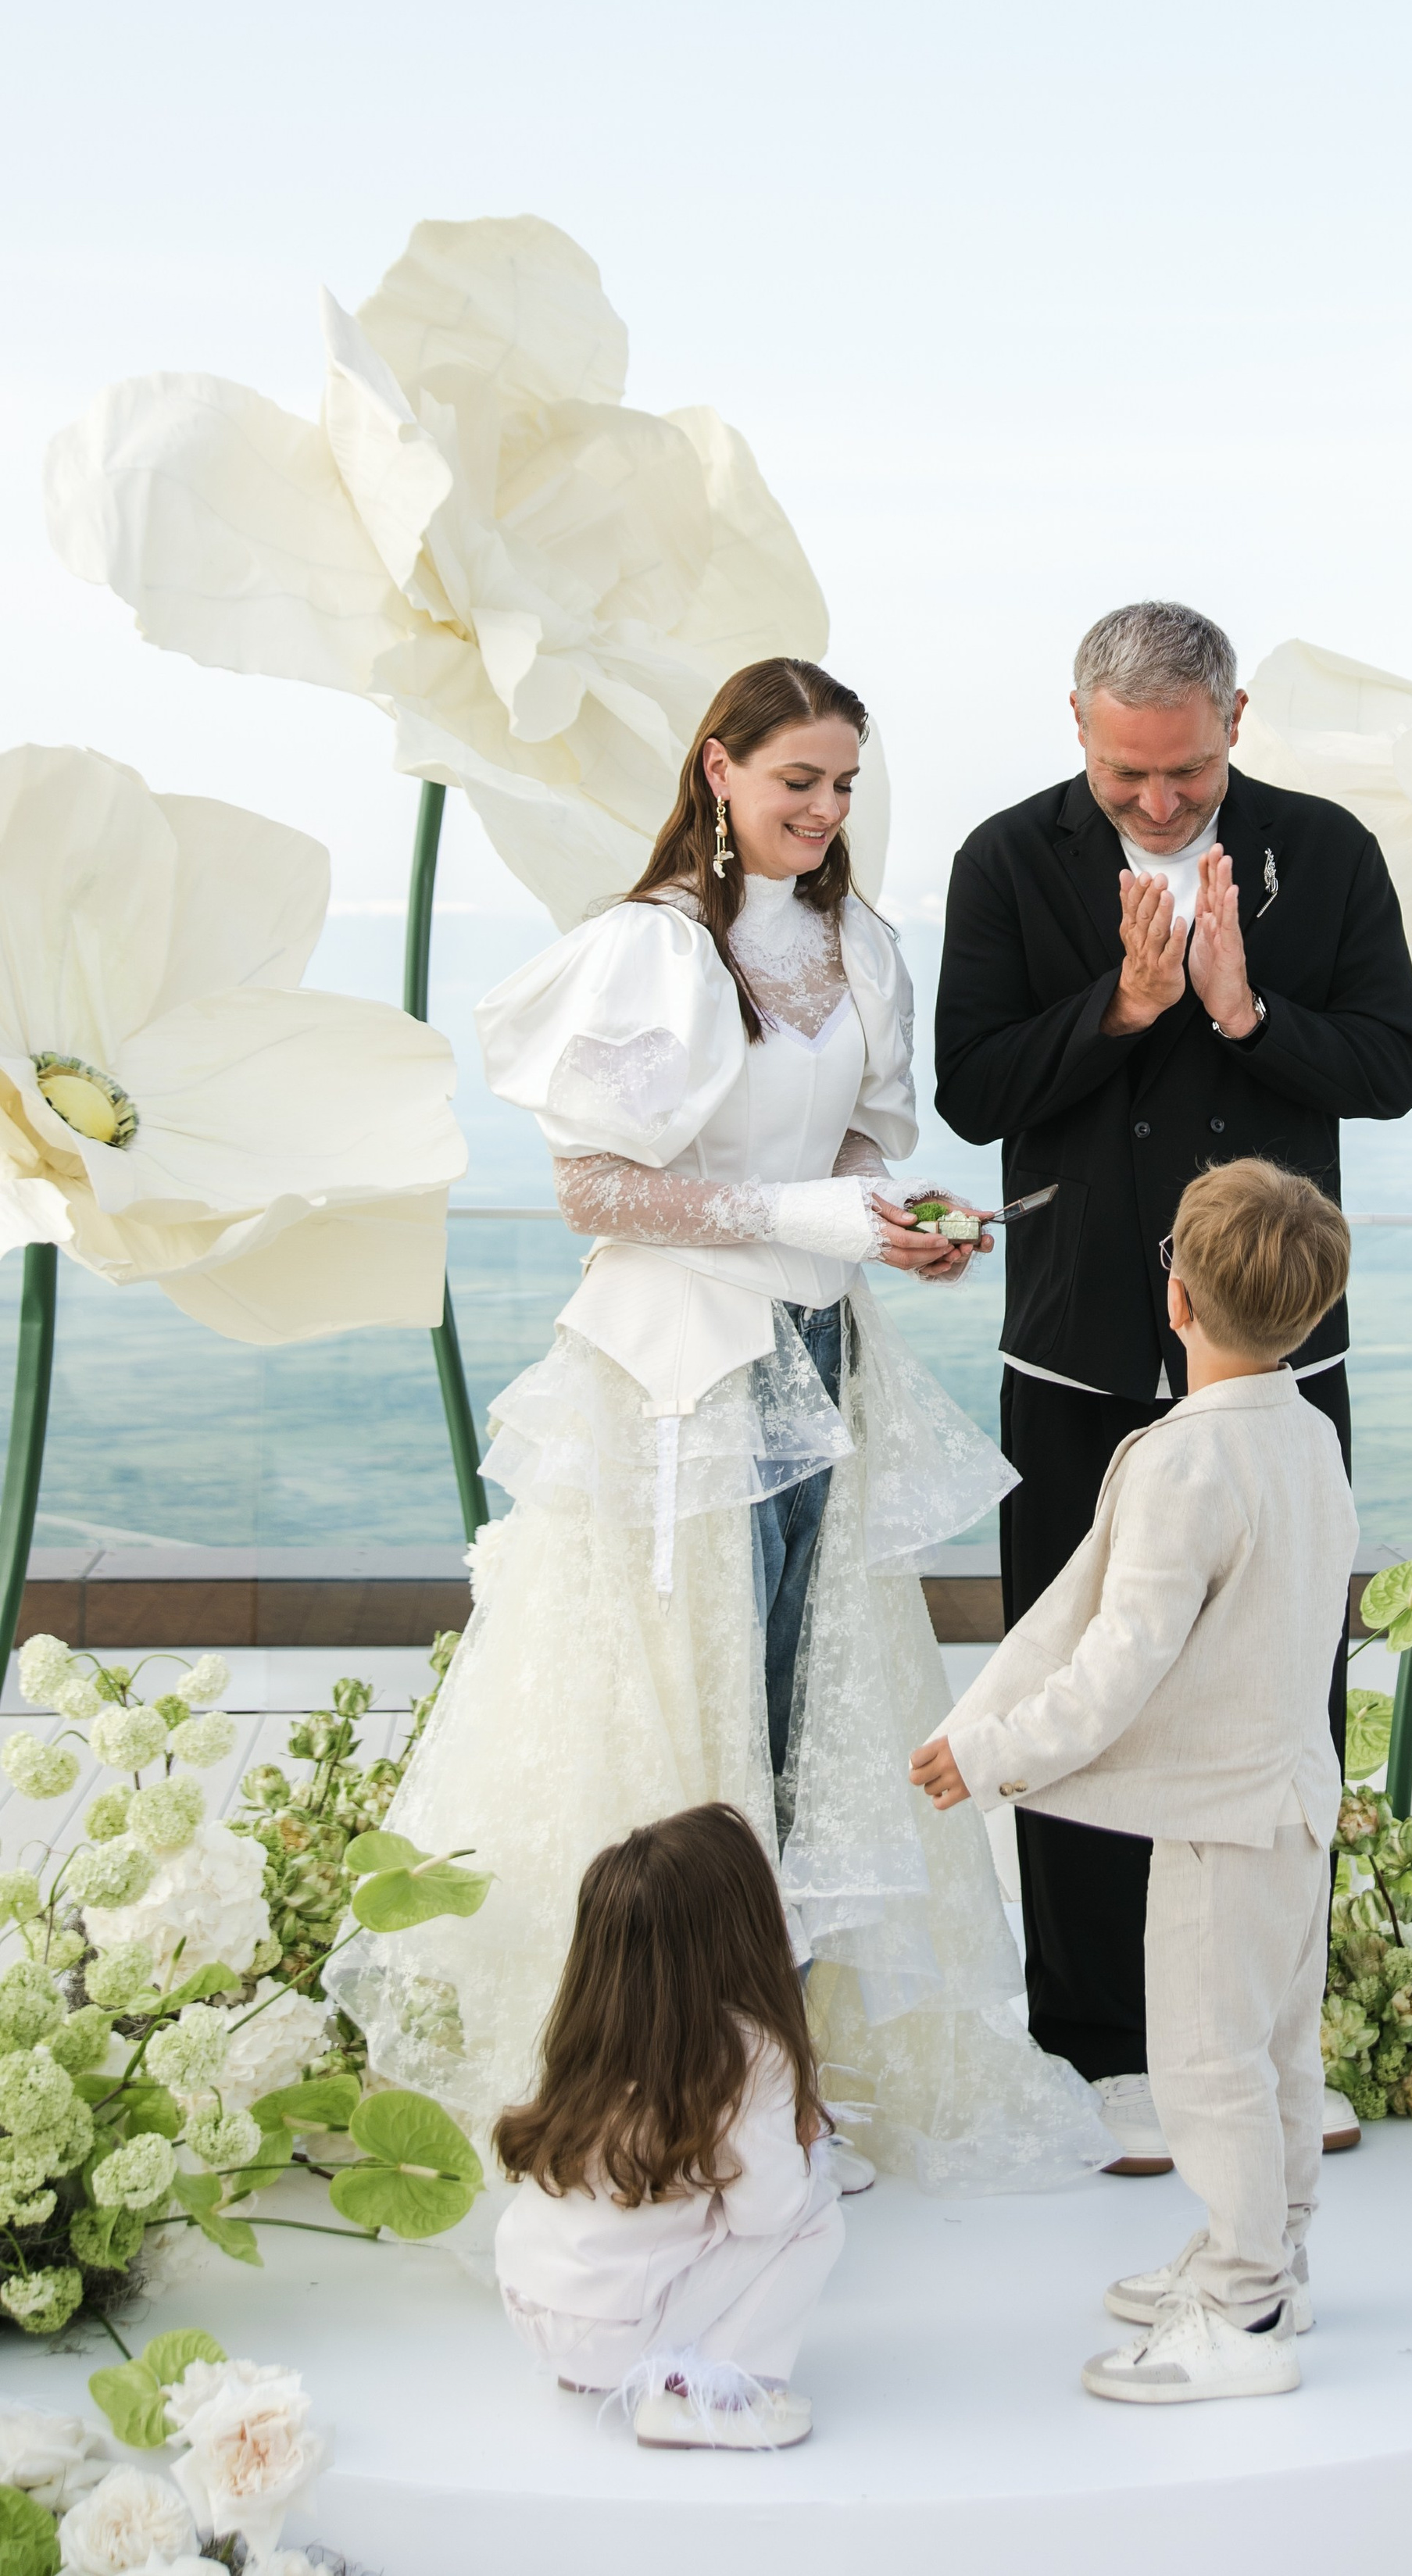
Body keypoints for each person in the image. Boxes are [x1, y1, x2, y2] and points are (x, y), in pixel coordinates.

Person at [328, 658, 1111, 2195]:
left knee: (807, 1738)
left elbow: (848, 1161)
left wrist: (905, 1228)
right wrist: (793, 1208)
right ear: (717, 770)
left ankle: (787, 2085)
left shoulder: (855, 945)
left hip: (819, 1356)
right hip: (676, 1379)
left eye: (840, 784)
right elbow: (593, 1190)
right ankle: (673, 2087)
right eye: (794, 779)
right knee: (689, 1729)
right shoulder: (648, 949)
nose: (820, 810)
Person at [932, 602, 1412, 2166]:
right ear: (1077, 728)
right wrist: (1123, 1010)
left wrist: (1240, 1014)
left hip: (1278, 1360)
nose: (1156, 802)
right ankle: (1094, 2047)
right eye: (1124, 776)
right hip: (1076, 1345)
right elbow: (970, 1088)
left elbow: (1392, 1066)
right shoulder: (1006, 861)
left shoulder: (1325, 853)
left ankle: (1276, 2028)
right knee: (1076, 1671)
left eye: (1187, 773)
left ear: (1234, 719)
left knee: (1284, 1689)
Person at [911, 1160, 1357, 2405]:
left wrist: (994, 1752)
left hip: (1219, 1818)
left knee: (1208, 2064)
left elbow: (1115, 1665)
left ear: (1175, 1296)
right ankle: (1271, 2254)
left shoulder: (1181, 1465)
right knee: (1278, 2045)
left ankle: (1241, 2304)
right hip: (1294, 1802)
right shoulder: (1310, 1438)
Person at [493, 1806, 844, 2450]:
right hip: (612, 2329)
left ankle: (593, 2373)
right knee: (817, 2208)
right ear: (742, 1927)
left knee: (671, 2212)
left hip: (527, 2299)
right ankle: (707, 2395)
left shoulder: (593, 2027)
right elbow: (771, 2213)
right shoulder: (748, 2049)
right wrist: (804, 2144)